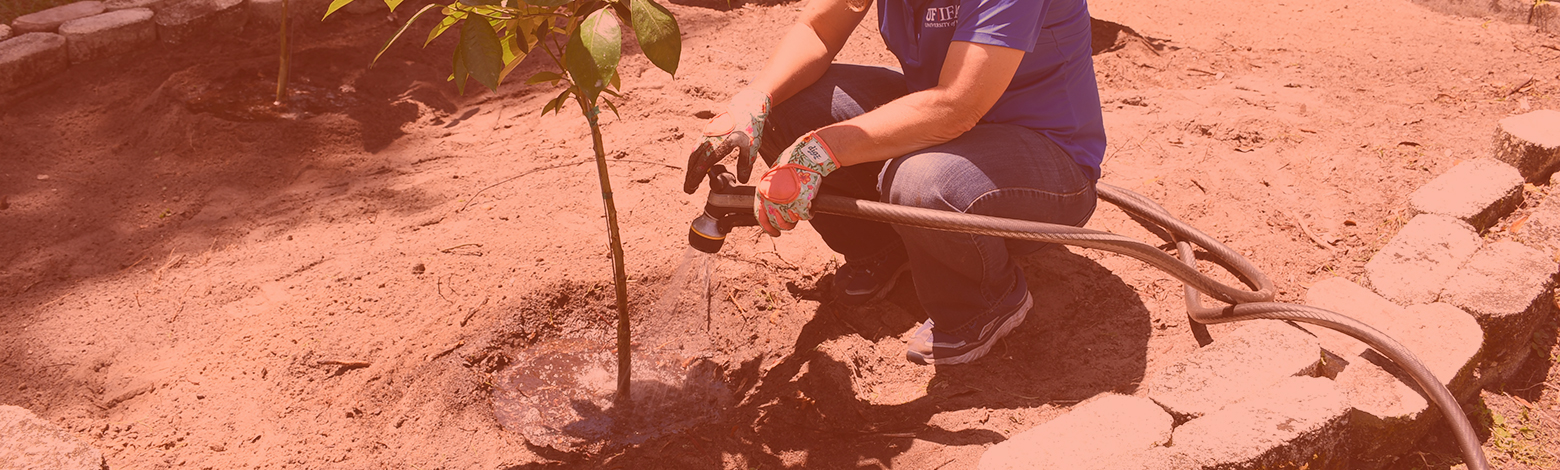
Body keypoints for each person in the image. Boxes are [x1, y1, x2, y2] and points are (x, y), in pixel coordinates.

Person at [684, 0, 1106, 365]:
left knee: (921, 182)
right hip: (943, 128)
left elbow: (958, 105)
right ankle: (882, 248)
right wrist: (754, 99)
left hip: (1045, 162)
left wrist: (819, 151)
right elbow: (817, 29)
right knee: (785, 104)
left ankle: (984, 301)